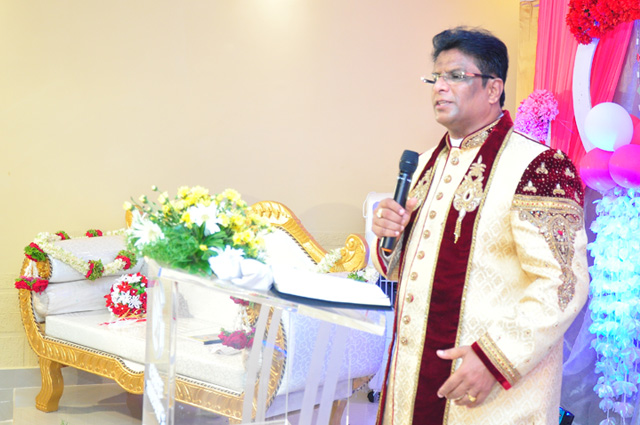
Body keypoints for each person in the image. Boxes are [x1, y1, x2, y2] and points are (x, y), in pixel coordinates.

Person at [371, 27, 589, 425]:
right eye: (435, 77)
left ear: (493, 89)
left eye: (455, 76)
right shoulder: (422, 165)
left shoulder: (540, 167)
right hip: (412, 378)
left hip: (489, 390)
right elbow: (402, 270)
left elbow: (563, 285)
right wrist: (388, 238)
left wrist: (494, 358)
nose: (440, 87)